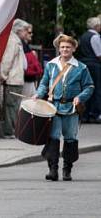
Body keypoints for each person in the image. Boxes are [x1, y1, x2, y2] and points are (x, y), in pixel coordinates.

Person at [33, 34, 94, 181]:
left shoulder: (81, 67)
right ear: (58, 49)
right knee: (53, 138)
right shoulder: (51, 65)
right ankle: (53, 170)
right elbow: (44, 83)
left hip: (71, 108)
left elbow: (89, 86)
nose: (65, 49)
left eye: (68, 47)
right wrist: (37, 94)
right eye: (62, 47)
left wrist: (80, 97)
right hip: (53, 107)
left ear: (73, 48)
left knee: (70, 138)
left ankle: (67, 170)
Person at [0, 19, 28, 138]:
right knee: (11, 106)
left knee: (13, 106)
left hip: (15, 78)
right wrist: (3, 76)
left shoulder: (15, 40)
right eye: (25, 30)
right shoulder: (13, 40)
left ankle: (13, 130)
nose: (26, 33)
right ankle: (10, 131)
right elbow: (7, 60)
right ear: (19, 30)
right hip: (13, 79)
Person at [78, 17, 101, 123]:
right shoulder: (95, 37)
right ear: (96, 26)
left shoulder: (83, 36)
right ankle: (95, 113)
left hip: (84, 63)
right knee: (96, 89)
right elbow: (99, 54)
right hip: (94, 64)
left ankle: (84, 113)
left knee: (86, 88)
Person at [22, 23, 43, 96]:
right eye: (29, 32)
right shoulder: (21, 46)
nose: (31, 34)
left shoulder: (26, 46)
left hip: (30, 80)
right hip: (25, 81)